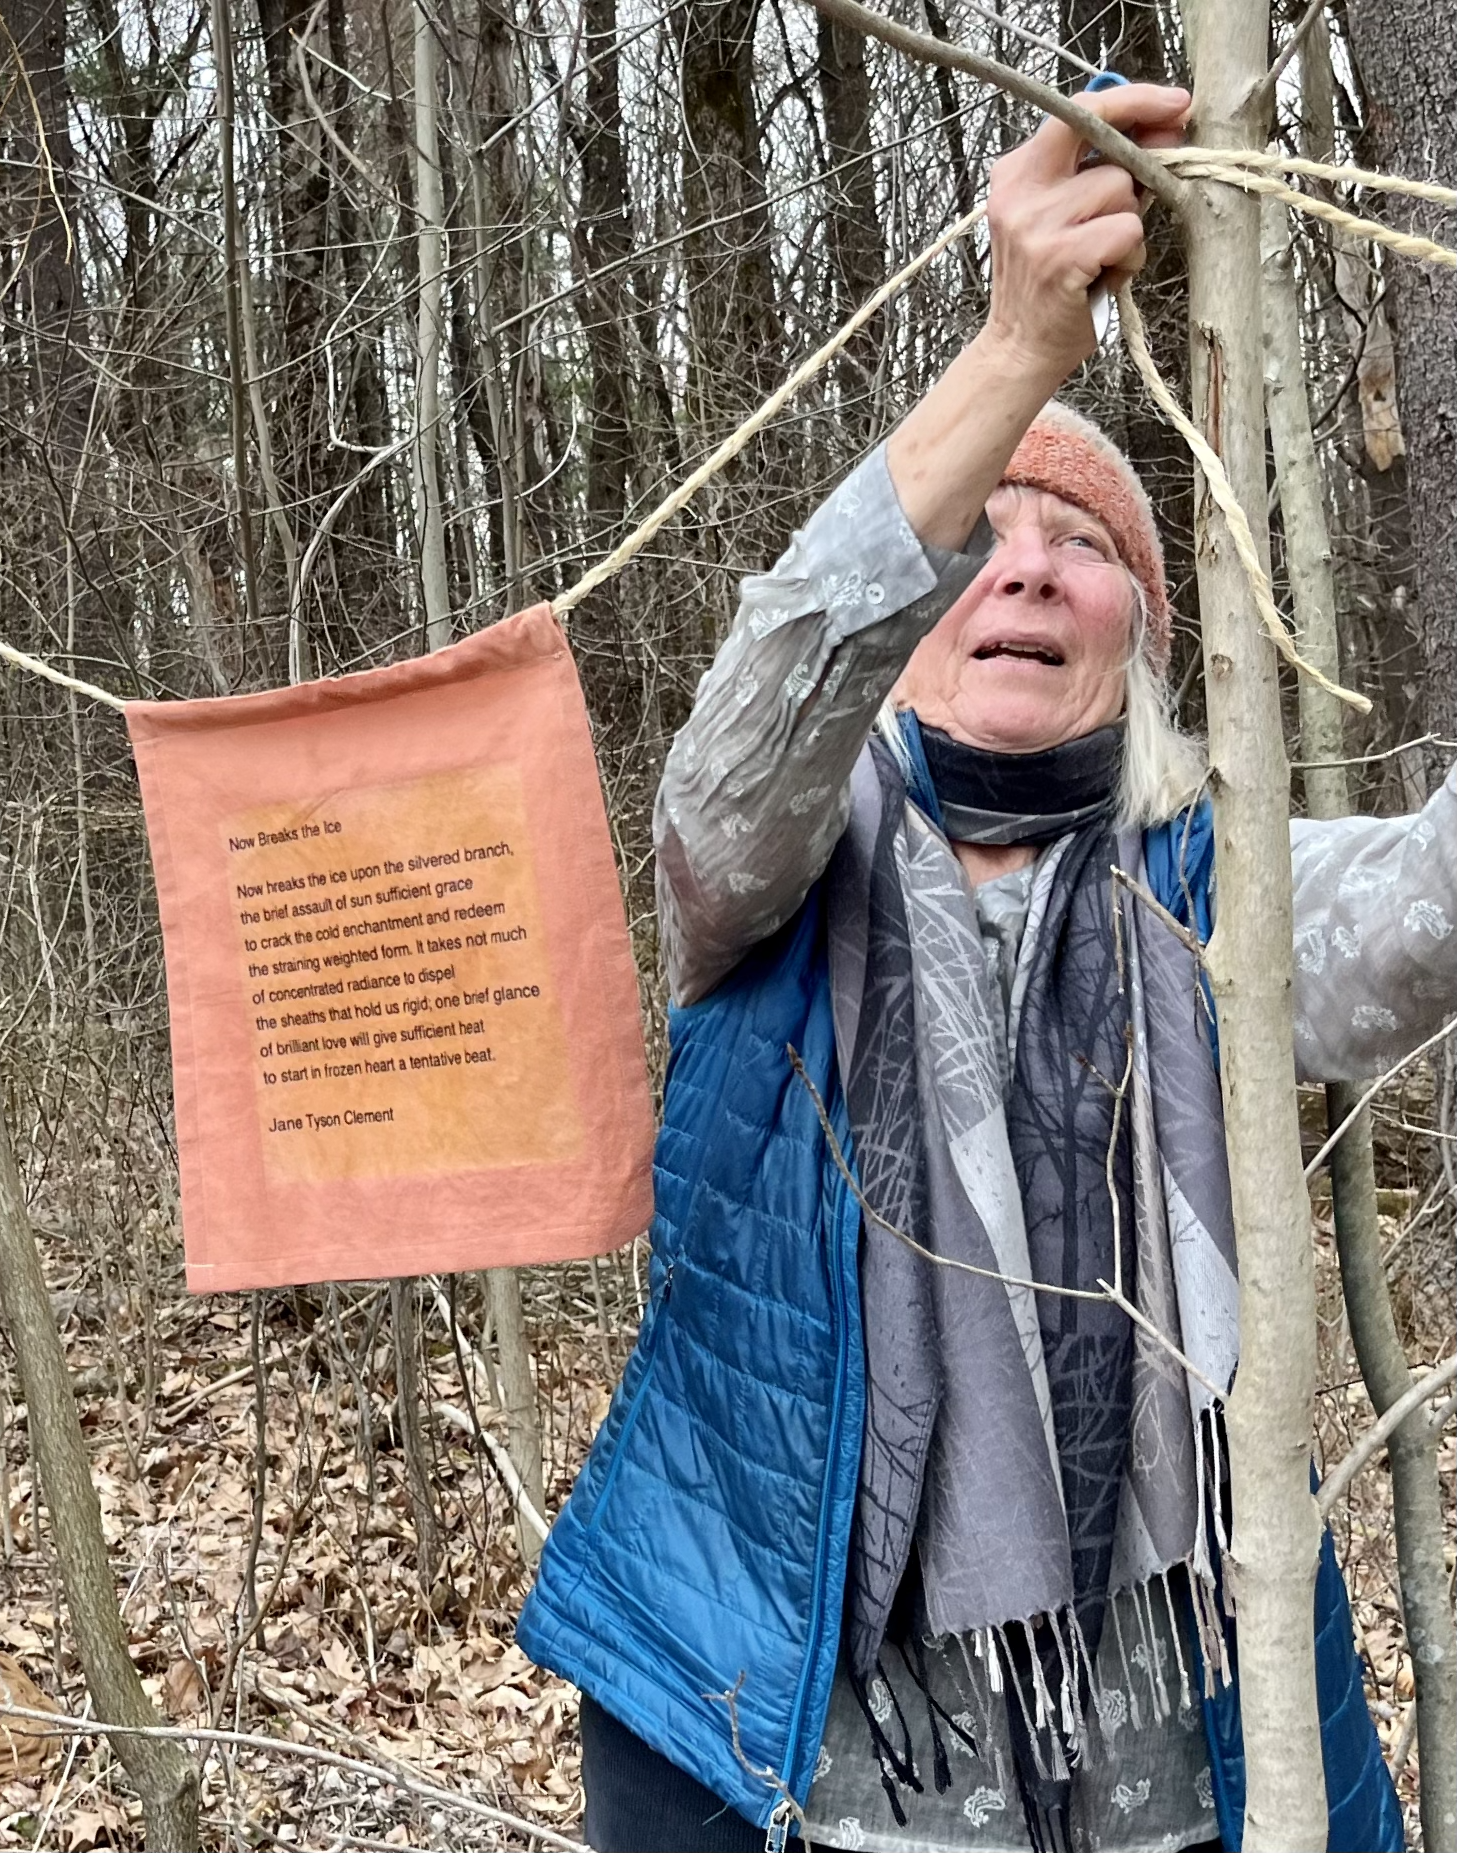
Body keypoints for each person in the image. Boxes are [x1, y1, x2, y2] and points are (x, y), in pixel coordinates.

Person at [518, 85, 1416, 1853]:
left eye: (1082, 548)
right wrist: (1013, 356)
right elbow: (749, 732)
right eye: (980, 537)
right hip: (783, 1690)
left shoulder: (1206, 892)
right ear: (903, 609)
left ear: (1142, 641)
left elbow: (1420, 908)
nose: (1027, 573)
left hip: (1160, 1711)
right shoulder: (772, 870)